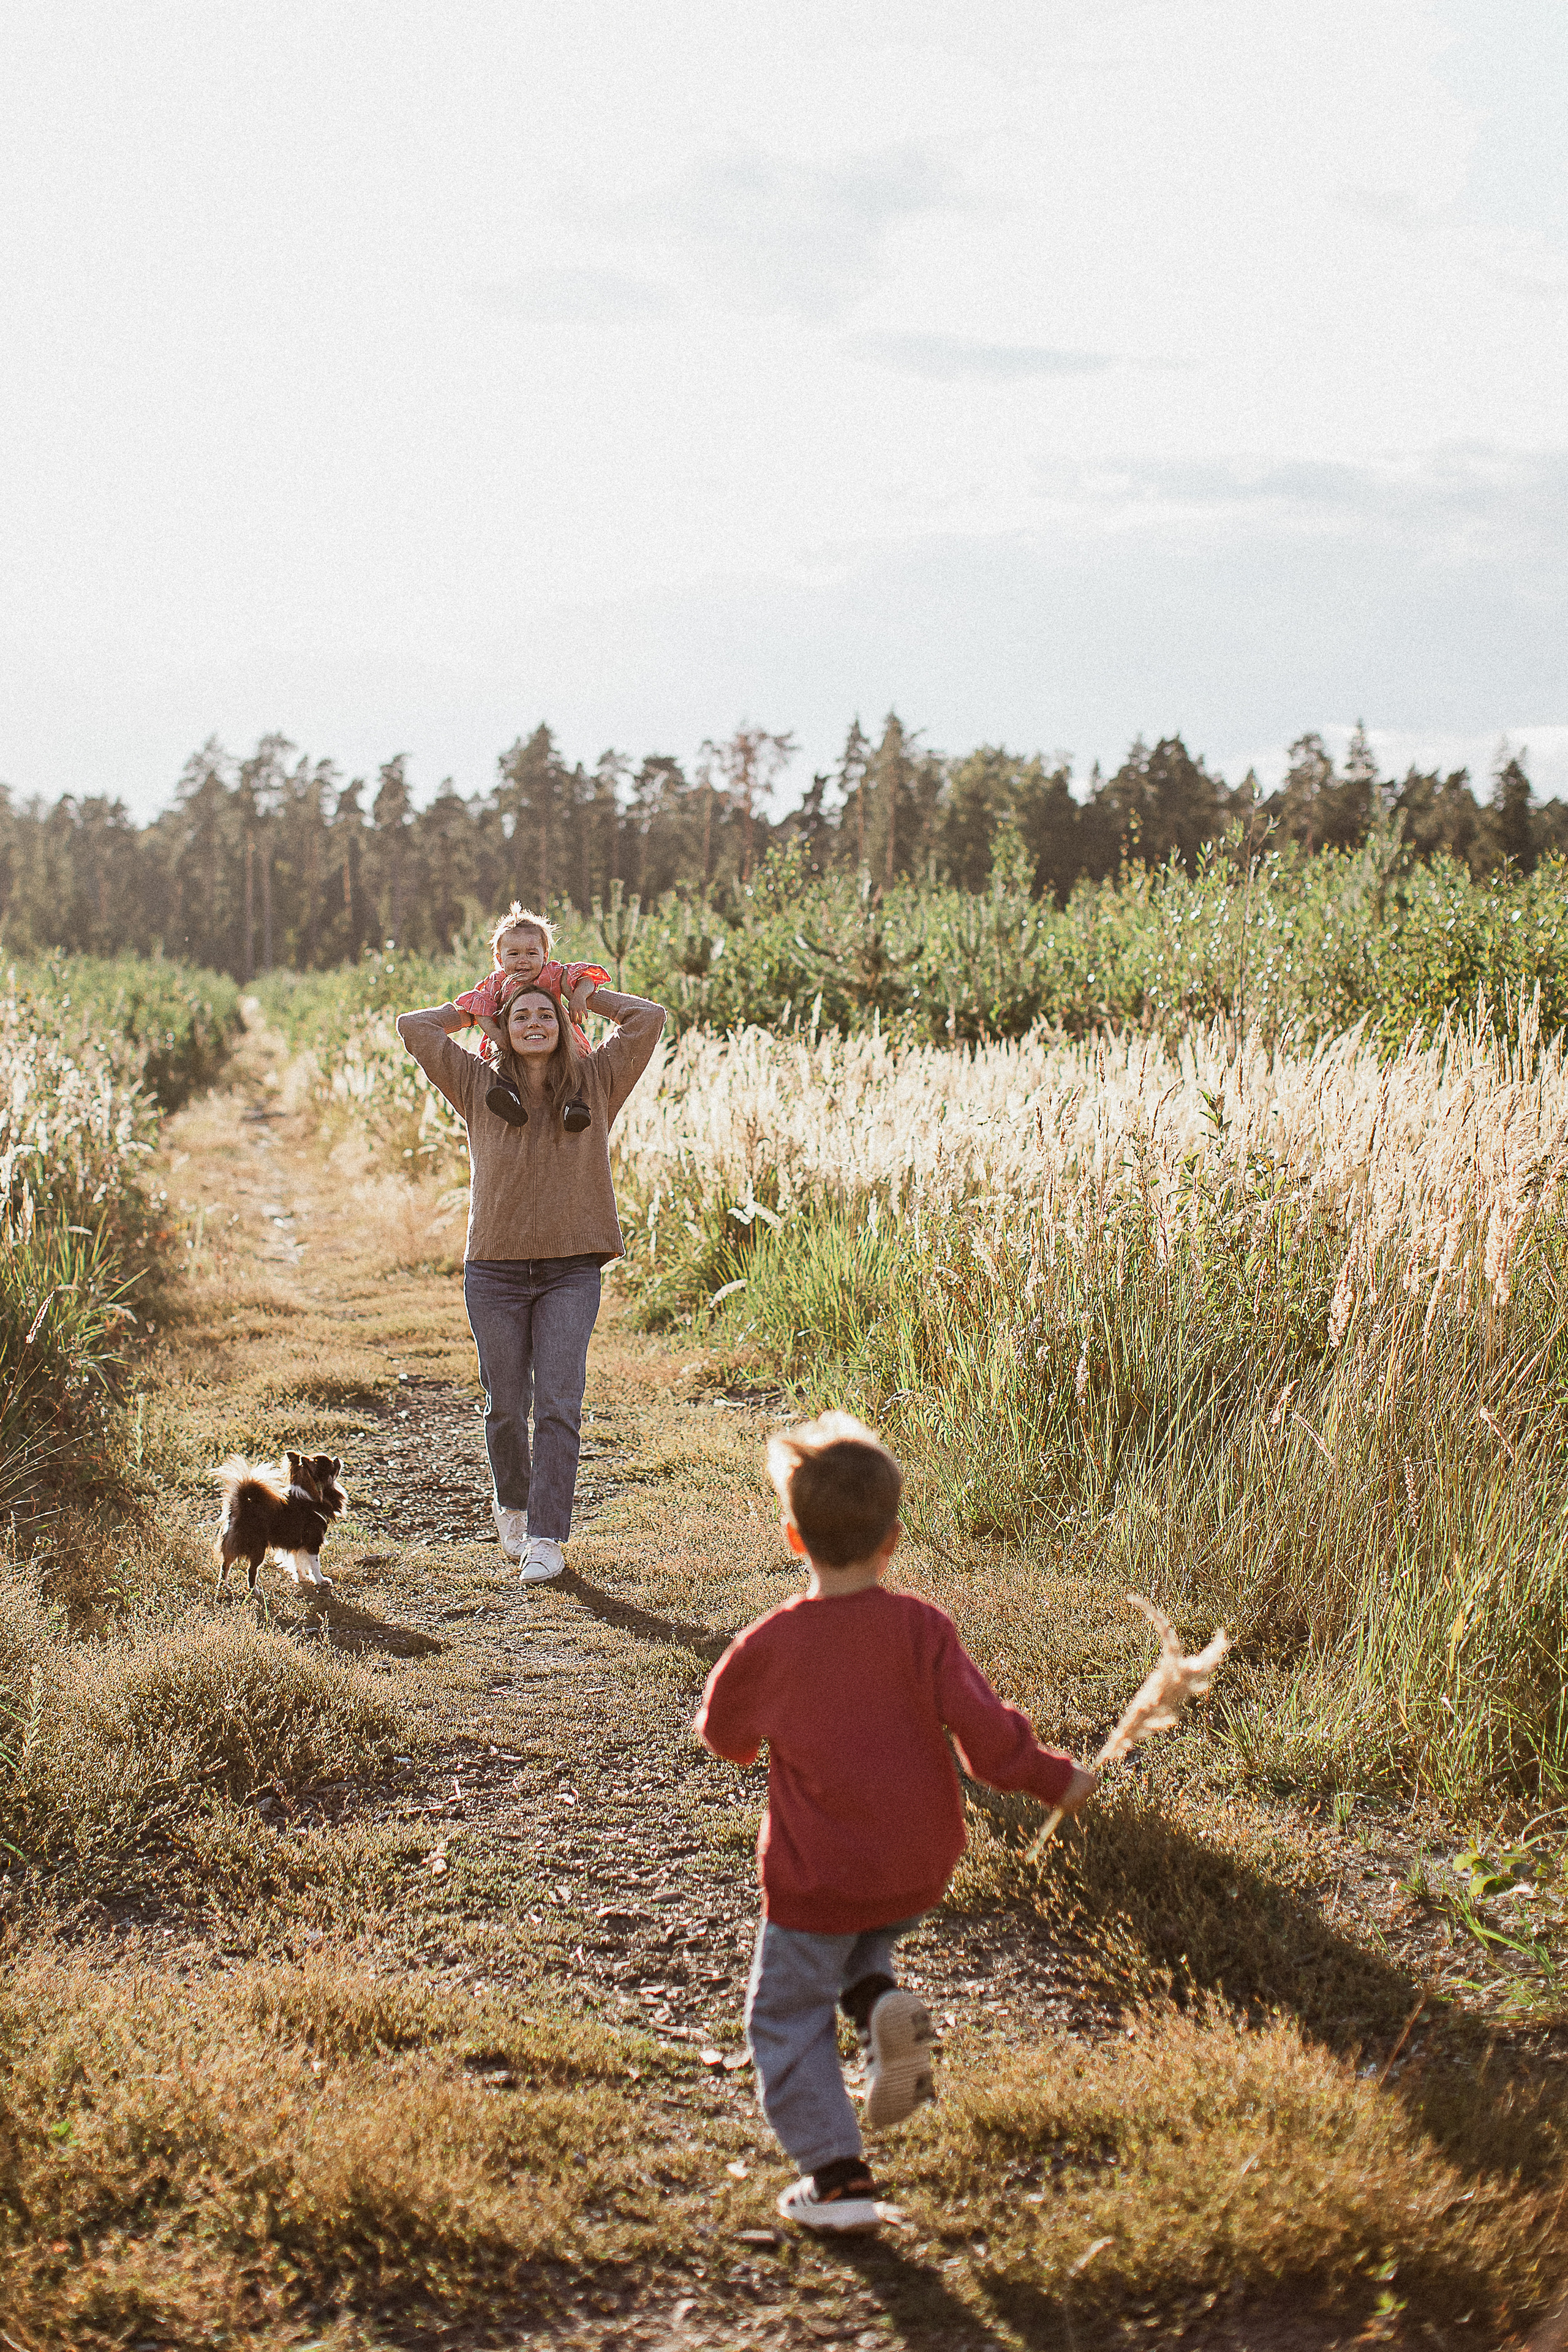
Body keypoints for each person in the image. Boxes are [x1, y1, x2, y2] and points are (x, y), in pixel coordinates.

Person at [695, 1412, 1098, 2233]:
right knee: (867, 1933)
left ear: (792, 1539)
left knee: (785, 2014)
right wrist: (1056, 1778)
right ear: (896, 1539)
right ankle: (877, 1991)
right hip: (918, 1865)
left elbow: (724, 1738)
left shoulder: (770, 1646)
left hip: (820, 1876)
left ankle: (838, 2182)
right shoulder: (924, 1628)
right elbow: (989, 1744)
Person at [394, 968, 665, 1582]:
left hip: (571, 1268)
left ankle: (546, 1537)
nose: (534, 1024)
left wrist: (586, 999)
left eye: (544, 1015)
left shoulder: (596, 1081)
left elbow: (648, 1019)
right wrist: (475, 1012)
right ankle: (513, 1507)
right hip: (494, 1270)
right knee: (506, 1404)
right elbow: (413, 1027)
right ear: (505, 1031)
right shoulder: (474, 1081)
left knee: (559, 1403)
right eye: (521, 1017)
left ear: (563, 1025)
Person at [450, 903, 609, 1061]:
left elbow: (586, 977)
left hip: (556, 1041)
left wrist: (579, 997)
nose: (523, 961)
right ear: (500, 959)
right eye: (514, 954)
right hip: (512, 1044)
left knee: (572, 1069)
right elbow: (480, 1010)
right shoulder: (498, 982)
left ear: (544, 957)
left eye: (532, 953)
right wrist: (497, 1035)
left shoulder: (552, 974)